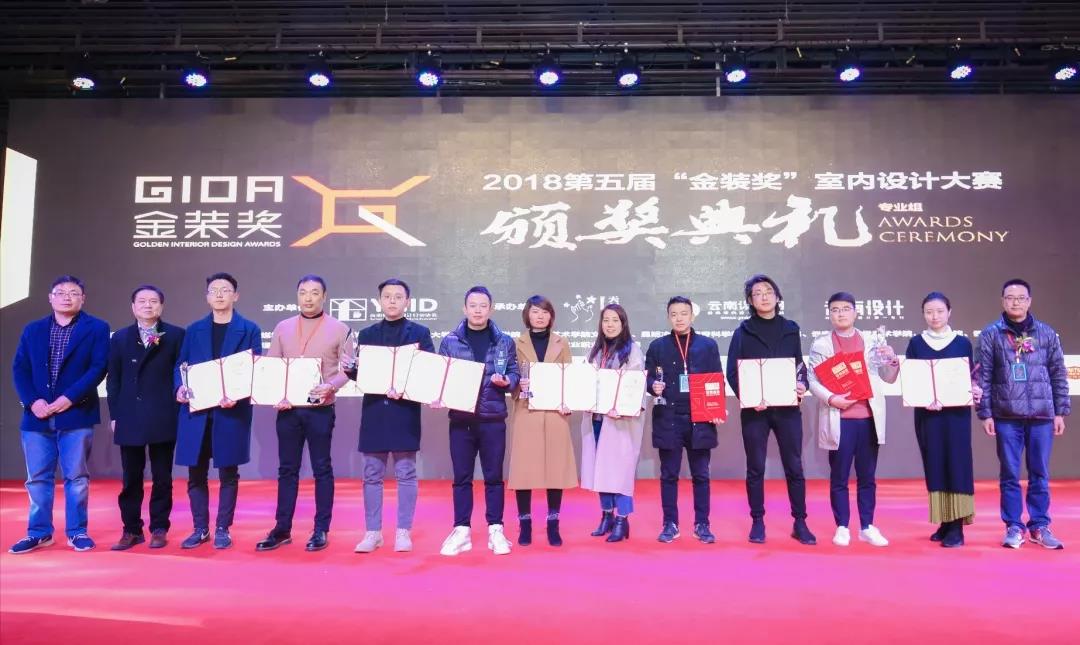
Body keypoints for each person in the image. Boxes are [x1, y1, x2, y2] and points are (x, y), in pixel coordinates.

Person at [9, 276, 109, 554]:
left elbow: (98, 367)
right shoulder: (33, 329)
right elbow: (20, 368)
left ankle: (77, 532)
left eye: (74, 293)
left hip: (76, 413)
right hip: (36, 416)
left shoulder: (97, 327)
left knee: (76, 477)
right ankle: (39, 532)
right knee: (37, 478)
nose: (67, 297)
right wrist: (33, 401)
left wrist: (70, 398)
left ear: (83, 299)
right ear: (50, 297)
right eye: (60, 292)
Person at [255, 275, 352, 553]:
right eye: (303, 292)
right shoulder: (283, 327)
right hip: (289, 410)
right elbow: (271, 368)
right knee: (287, 469)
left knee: (322, 468)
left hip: (320, 409)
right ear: (297, 296)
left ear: (324, 296)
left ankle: (321, 529)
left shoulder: (340, 329)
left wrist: (330, 386)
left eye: (314, 293)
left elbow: (349, 370)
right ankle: (282, 528)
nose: (308, 298)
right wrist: (277, 395)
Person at [978, 278, 1069, 550]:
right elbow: (982, 376)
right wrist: (985, 413)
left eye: (1020, 297)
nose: (1015, 302)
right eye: (1010, 297)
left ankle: (1039, 525)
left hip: (1042, 415)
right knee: (1009, 473)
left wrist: (1060, 412)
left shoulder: (1046, 333)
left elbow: (1058, 373)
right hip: (1006, 415)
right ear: (1002, 301)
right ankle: (1014, 526)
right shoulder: (991, 334)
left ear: (1029, 301)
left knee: (1040, 472)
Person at [174, 272, 262, 550]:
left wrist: (236, 394)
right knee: (196, 474)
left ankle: (223, 528)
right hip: (198, 412)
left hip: (230, 411)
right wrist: (179, 387)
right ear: (207, 297)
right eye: (214, 290)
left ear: (236, 295)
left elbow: (254, 368)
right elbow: (181, 365)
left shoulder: (249, 329)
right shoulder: (194, 330)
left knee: (228, 473)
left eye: (225, 290)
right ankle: (200, 528)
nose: (220, 294)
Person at [726, 274, 816, 545]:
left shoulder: (790, 328)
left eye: (768, 291)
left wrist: (802, 384)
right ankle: (757, 521)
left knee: (794, 466)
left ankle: (800, 522)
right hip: (756, 410)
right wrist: (749, 397)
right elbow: (733, 372)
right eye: (757, 293)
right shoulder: (742, 332)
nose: (763, 296)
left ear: (777, 296)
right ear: (750, 301)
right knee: (755, 467)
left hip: (787, 409)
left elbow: (799, 365)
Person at [807, 292, 899, 548]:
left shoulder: (871, 340)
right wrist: (832, 398)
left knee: (867, 477)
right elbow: (813, 380)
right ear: (829, 314)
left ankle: (867, 526)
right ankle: (842, 526)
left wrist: (892, 359)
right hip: (840, 418)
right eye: (835, 310)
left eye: (846, 309)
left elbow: (888, 377)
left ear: (856, 312)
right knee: (839, 476)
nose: (841, 314)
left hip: (868, 418)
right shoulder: (821, 344)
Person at [350, 278, 434, 554]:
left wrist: (406, 388)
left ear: (407, 301)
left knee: (406, 473)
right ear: (379, 301)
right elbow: (360, 374)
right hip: (374, 411)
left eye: (398, 296)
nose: (392, 301)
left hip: (404, 412)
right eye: (387, 296)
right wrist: (351, 369)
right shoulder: (366, 335)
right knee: (371, 474)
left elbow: (429, 372)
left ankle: (403, 531)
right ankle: (373, 532)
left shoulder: (420, 333)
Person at [437, 286, 520, 556]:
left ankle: (496, 529)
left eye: (483, 305)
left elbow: (514, 373)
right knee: (461, 478)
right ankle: (462, 530)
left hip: (493, 418)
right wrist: (437, 394)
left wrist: (507, 381)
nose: (477, 310)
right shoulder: (450, 341)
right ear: (464, 308)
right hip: (461, 419)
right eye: (472, 305)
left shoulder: (505, 341)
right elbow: (440, 376)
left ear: (491, 309)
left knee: (494, 477)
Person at [106, 285, 185, 550]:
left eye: (153, 301)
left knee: (162, 476)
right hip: (130, 415)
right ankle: (131, 529)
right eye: (142, 301)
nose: (147, 305)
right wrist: (115, 415)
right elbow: (113, 380)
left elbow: (180, 372)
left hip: (163, 414)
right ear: (133, 307)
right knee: (131, 477)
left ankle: (159, 527)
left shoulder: (175, 335)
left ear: (161, 306)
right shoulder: (120, 337)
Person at [905, 292, 982, 548]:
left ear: (949, 312)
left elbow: (970, 377)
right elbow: (913, 379)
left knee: (957, 464)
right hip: (928, 415)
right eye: (929, 312)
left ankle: (957, 525)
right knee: (934, 463)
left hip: (956, 415)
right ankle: (945, 520)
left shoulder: (962, 343)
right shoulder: (916, 343)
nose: (934, 316)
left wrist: (975, 388)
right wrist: (923, 398)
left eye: (939, 311)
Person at [645, 296, 724, 544]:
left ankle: (702, 524)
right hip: (668, 418)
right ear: (668, 317)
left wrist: (717, 408)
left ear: (692, 315)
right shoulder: (657, 346)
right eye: (674, 314)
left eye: (683, 313)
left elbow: (717, 379)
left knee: (701, 474)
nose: (679, 318)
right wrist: (653, 386)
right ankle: (670, 524)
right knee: (669, 475)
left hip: (700, 418)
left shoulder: (707, 345)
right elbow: (648, 379)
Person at [508, 295, 576, 547]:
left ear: (551, 316)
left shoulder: (561, 342)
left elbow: (569, 377)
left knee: (555, 470)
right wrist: (518, 384)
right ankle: (524, 523)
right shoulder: (516, 343)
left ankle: (553, 523)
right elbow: (511, 376)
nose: (540, 316)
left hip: (555, 412)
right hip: (527, 410)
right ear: (527, 314)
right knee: (524, 471)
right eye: (535, 311)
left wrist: (568, 401)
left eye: (545, 312)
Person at [580, 304, 646, 543]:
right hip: (596, 419)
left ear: (623, 323)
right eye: (606, 320)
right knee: (601, 469)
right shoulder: (595, 350)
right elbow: (585, 382)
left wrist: (624, 408)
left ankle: (622, 519)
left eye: (615, 320)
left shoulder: (633, 351)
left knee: (621, 473)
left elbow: (636, 387)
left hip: (620, 421)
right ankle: (606, 515)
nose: (609, 324)